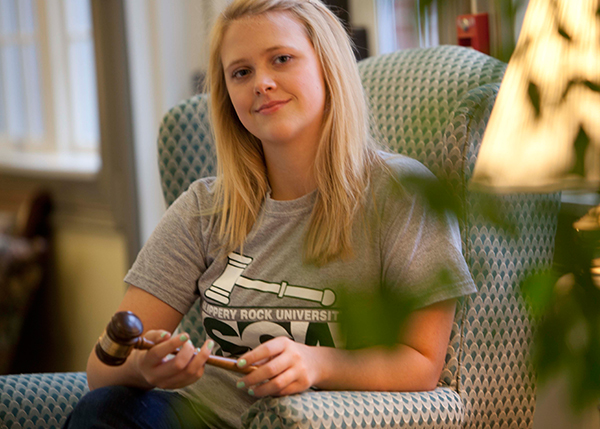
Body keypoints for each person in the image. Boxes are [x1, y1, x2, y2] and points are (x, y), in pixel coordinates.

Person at [64, 0, 475, 428]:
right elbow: (102, 369)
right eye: (241, 72)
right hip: (198, 416)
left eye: (281, 59)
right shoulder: (204, 209)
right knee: (104, 410)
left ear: (327, 67)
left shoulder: (402, 194)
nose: (262, 83)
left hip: (323, 420)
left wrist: (319, 363)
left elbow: (422, 362)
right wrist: (142, 370)